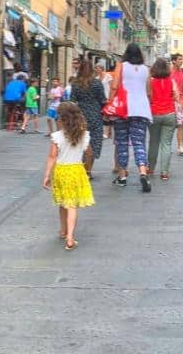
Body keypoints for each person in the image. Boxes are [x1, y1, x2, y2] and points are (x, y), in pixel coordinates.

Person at [42, 102, 95, 250]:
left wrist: (46, 175)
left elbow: (52, 156)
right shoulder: (84, 135)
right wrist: (86, 167)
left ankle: (64, 231)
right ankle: (71, 237)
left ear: (61, 119)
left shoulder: (57, 136)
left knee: (63, 202)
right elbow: (90, 153)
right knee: (72, 205)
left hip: (61, 171)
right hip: (76, 170)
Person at [112, 43, 153, 193]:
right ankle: (143, 172)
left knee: (122, 142)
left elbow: (115, 86)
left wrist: (110, 102)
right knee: (139, 142)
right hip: (141, 110)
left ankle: (122, 177)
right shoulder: (146, 69)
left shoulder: (121, 66)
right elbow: (149, 92)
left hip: (123, 109)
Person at [69, 59, 106, 177]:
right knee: (94, 142)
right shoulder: (97, 83)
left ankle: (82, 167)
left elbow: (72, 101)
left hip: (81, 115)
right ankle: (88, 170)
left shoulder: (75, 83)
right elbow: (103, 100)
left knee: (81, 142)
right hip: (95, 115)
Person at [147, 57, 179, 181]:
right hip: (169, 113)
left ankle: (151, 168)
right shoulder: (171, 81)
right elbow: (176, 96)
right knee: (167, 144)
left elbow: (149, 97)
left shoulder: (151, 81)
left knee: (153, 142)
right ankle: (164, 172)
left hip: (154, 113)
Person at [171, 53, 183, 156]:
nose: (181, 61)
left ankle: (181, 146)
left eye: (182, 59)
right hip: (170, 101)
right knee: (169, 125)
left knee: (181, 124)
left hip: (180, 101)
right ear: (174, 61)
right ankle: (167, 145)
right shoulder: (168, 72)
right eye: (179, 59)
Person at [95, 63, 113, 140]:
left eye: (98, 68)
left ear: (102, 68)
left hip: (107, 98)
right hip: (99, 99)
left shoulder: (108, 76)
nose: (96, 69)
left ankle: (106, 132)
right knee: (101, 115)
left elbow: (112, 87)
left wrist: (110, 98)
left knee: (107, 115)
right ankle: (106, 132)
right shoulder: (96, 78)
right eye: (96, 68)